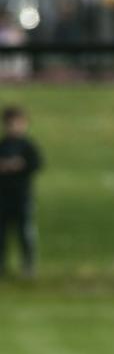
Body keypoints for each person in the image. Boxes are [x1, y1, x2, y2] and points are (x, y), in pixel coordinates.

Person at [0, 106, 43, 279]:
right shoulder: (3, 145)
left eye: (17, 123)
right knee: (2, 234)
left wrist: (20, 165)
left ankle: (28, 266)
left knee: (25, 232)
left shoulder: (27, 146)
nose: (14, 127)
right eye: (10, 124)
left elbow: (37, 164)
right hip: (2, 198)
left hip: (22, 196)